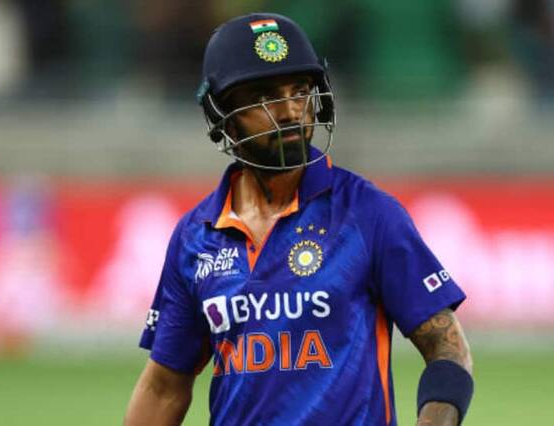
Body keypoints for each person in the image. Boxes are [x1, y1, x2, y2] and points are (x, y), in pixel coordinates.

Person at [125, 13, 473, 426]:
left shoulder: (368, 214)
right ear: (222, 114)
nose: (291, 111)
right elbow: (164, 387)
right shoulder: (195, 236)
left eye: (300, 91)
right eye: (264, 98)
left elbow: (449, 351)